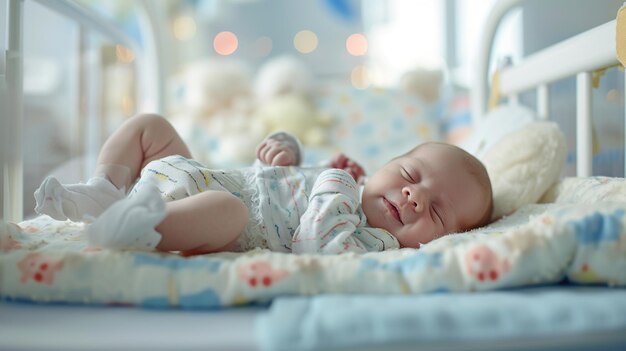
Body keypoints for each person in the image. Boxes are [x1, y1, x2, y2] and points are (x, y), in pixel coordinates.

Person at [34, 114, 492, 255]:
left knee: (225, 210)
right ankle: (107, 189)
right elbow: (282, 179)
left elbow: (315, 245)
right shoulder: (354, 183)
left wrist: (334, 183)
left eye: (436, 213)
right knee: (150, 127)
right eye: (411, 175)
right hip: (208, 175)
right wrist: (286, 151)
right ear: (387, 166)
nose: (415, 196)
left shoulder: (377, 242)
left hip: (226, 219)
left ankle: (137, 228)